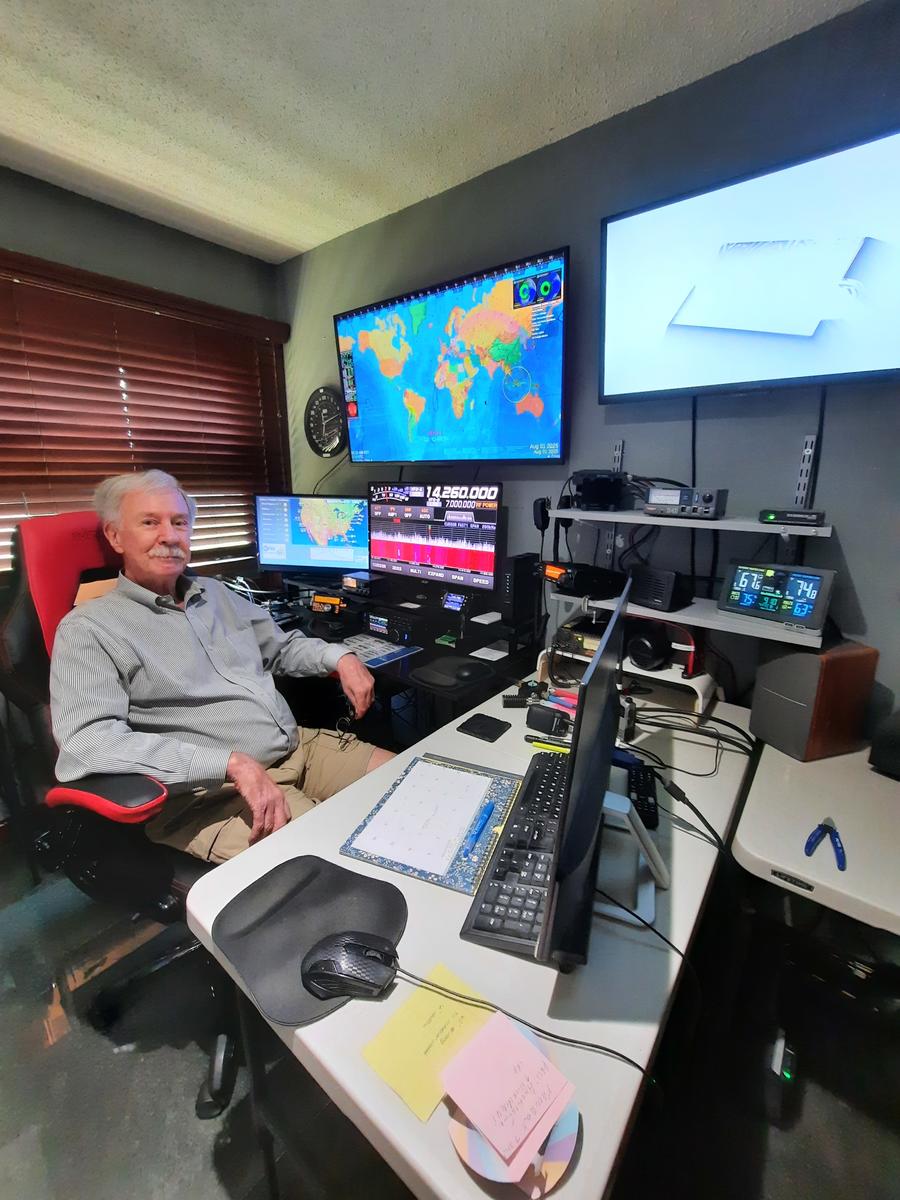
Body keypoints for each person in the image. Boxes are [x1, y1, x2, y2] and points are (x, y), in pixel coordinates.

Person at [50, 470, 394, 862]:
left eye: (179, 523)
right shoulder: (89, 629)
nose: (169, 536)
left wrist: (340, 657)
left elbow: (281, 648)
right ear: (114, 536)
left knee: (418, 783)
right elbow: (88, 743)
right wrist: (228, 764)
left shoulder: (214, 593)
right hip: (213, 795)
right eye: (149, 522)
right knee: (354, 858)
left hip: (296, 748)